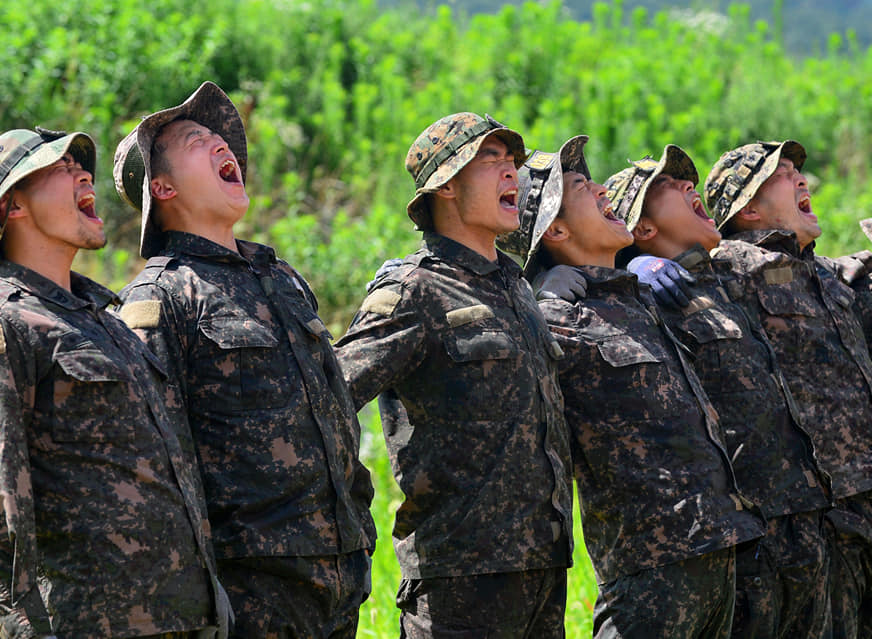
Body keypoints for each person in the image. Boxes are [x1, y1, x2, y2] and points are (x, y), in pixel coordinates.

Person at [0, 127, 230, 638]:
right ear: (12, 207)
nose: (82, 174)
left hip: (180, 615)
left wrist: (211, 598)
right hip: (90, 622)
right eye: (59, 168)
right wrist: (26, 624)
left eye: (82, 165)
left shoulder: (109, 322)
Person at [113, 81, 375, 639]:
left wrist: (358, 521)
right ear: (161, 188)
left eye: (220, 138)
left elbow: (334, 409)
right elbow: (157, 463)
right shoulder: (158, 299)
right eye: (193, 140)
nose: (220, 145)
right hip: (252, 585)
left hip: (338, 571)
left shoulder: (280, 279)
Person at [500, 136, 764, 639]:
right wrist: (531, 302)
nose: (602, 190)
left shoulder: (640, 300)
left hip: (718, 547)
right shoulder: (556, 316)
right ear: (555, 228)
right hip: (650, 566)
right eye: (581, 186)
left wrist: (638, 265)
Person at [334, 113, 573, 638]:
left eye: (512, 162)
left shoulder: (516, 289)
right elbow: (325, 397)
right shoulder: (413, 291)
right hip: (461, 577)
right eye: (492, 161)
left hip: (544, 566)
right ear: (445, 186)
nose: (512, 173)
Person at [604, 145, 833, 639]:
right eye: (669, 187)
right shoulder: (643, 297)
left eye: (690, 184)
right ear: (642, 230)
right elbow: (577, 289)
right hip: (725, 537)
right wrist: (633, 270)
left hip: (799, 520)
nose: (691, 187)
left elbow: (806, 272)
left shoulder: (726, 276)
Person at [701, 141, 872, 639]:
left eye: (800, 170)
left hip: (859, 503)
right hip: (801, 521)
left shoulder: (824, 273)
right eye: (783, 174)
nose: (802, 180)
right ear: (748, 208)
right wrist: (636, 264)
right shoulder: (727, 268)